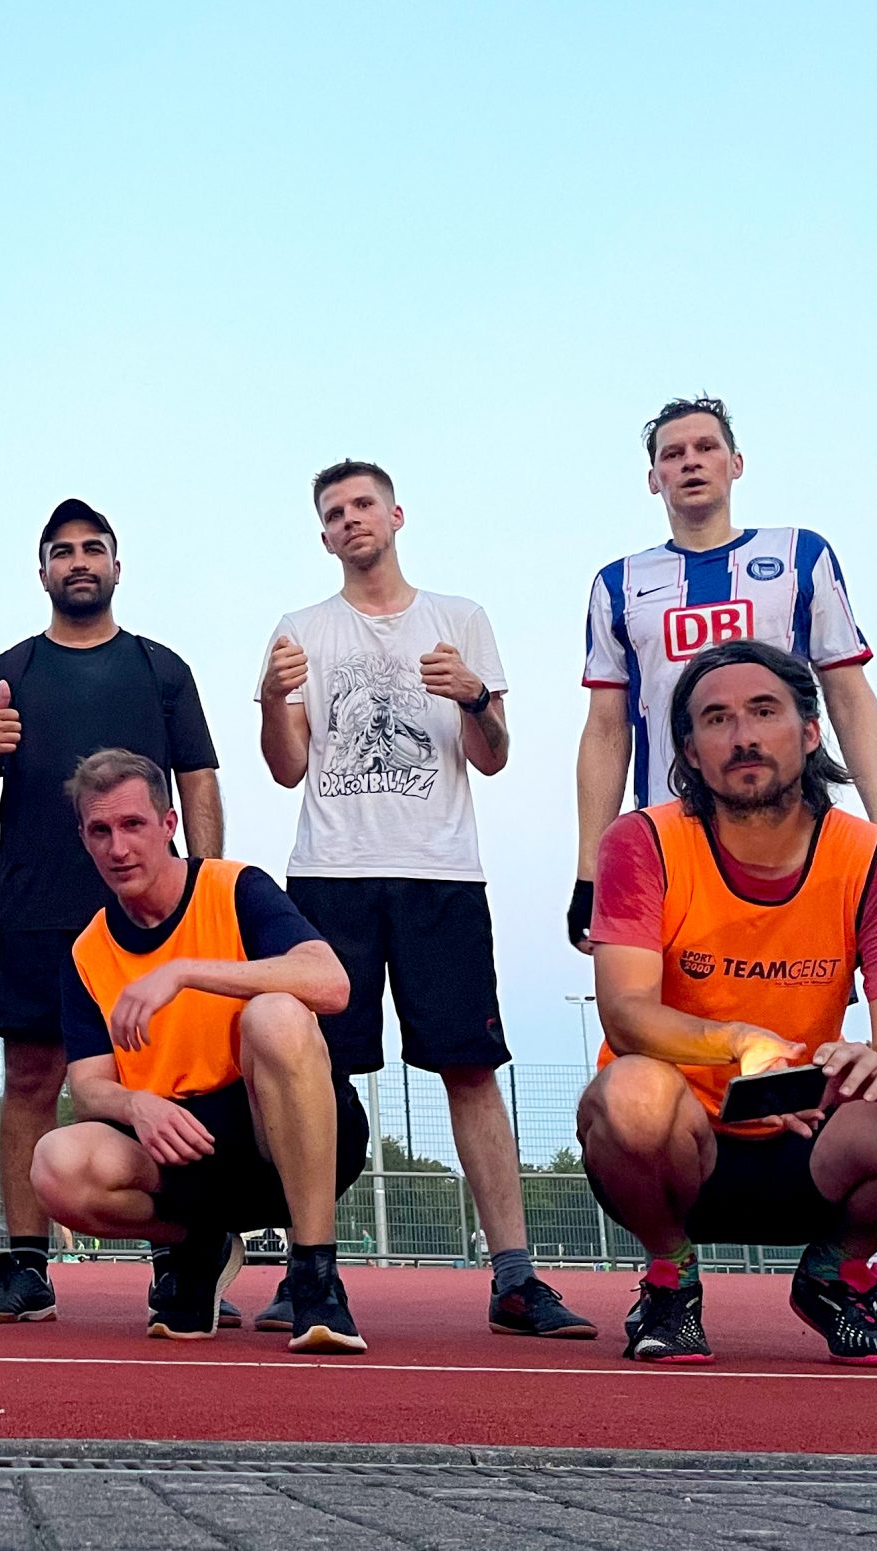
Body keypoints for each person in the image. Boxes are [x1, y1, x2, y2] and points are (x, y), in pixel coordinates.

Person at [572, 396, 877, 1334]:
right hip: (678, 852)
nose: (690, 462)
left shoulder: (800, 556)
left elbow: (847, 690)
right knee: (644, 1071)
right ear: (652, 477)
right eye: (672, 452)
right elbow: (607, 724)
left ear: (737, 464)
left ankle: (856, 1268)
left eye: (707, 446)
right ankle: (670, 1273)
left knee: (873, 1064)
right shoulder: (619, 583)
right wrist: (587, 863)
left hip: (794, 831)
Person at [579, 641, 877, 1365]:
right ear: (690, 752)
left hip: (813, 1142)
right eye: (716, 719)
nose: (743, 735)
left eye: (764, 712)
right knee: (630, 1094)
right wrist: (741, 1042)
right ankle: (671, 1276)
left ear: (809, 732)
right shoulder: (643, 841)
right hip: (682, 1146)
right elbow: (625, 1012)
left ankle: (837, 1271)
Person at [257, 461, 593, 1340]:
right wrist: (273, 698)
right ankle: (307, 1267)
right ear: (323, 535)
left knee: (470, 1067)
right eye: (335, 512)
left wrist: (475, 695)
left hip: (440, 872)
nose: (351, 519)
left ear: (397, 514)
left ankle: (514, 1275)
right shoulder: (299, 631)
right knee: (316, 1070)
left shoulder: (460, 619)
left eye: (363, 503)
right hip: (330, 872)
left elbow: (494, 756)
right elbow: (287, 767)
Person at [0, 498, 223, 1324]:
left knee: (158, 1079)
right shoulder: (9, 671)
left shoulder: (160, 669)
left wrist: (202, 886)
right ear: (42, 572)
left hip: (148, 915)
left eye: (92, 548)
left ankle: (180, 1259)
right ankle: (25, 1265)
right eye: (62, 551)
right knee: (32, 1077)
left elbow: (198, 779)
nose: (78, 561)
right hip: (35, 906)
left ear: (115, 566)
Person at [29, 751, 369, 1351]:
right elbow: (88, 1085)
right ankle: (199, 1242)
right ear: (83, 838)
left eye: (133, 825)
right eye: (100, 831)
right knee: (56, 1164)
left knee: (276, 1013)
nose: (118, 848)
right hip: (186, 1150)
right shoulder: (88, 952)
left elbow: (331, 984)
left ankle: (315, 1272)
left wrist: (185, 971)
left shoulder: (235, 888)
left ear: (169, 825)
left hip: (283, 1134)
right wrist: (136, 1105)